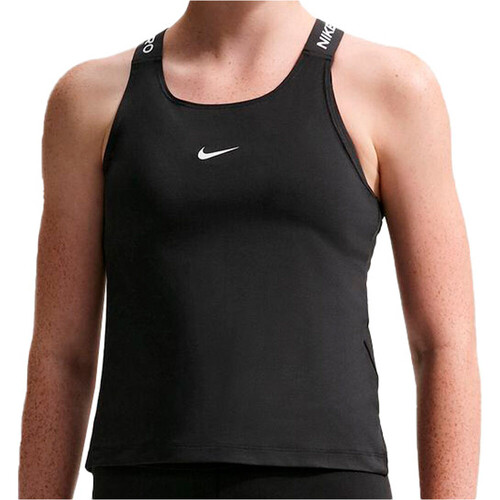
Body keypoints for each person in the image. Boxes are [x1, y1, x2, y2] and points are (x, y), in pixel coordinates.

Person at [18, 1, 480, 499]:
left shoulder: (393, 88)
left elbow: (444, 346)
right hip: (144, 480)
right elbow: (61, 354)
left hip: (329, 484)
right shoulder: (90, 100)